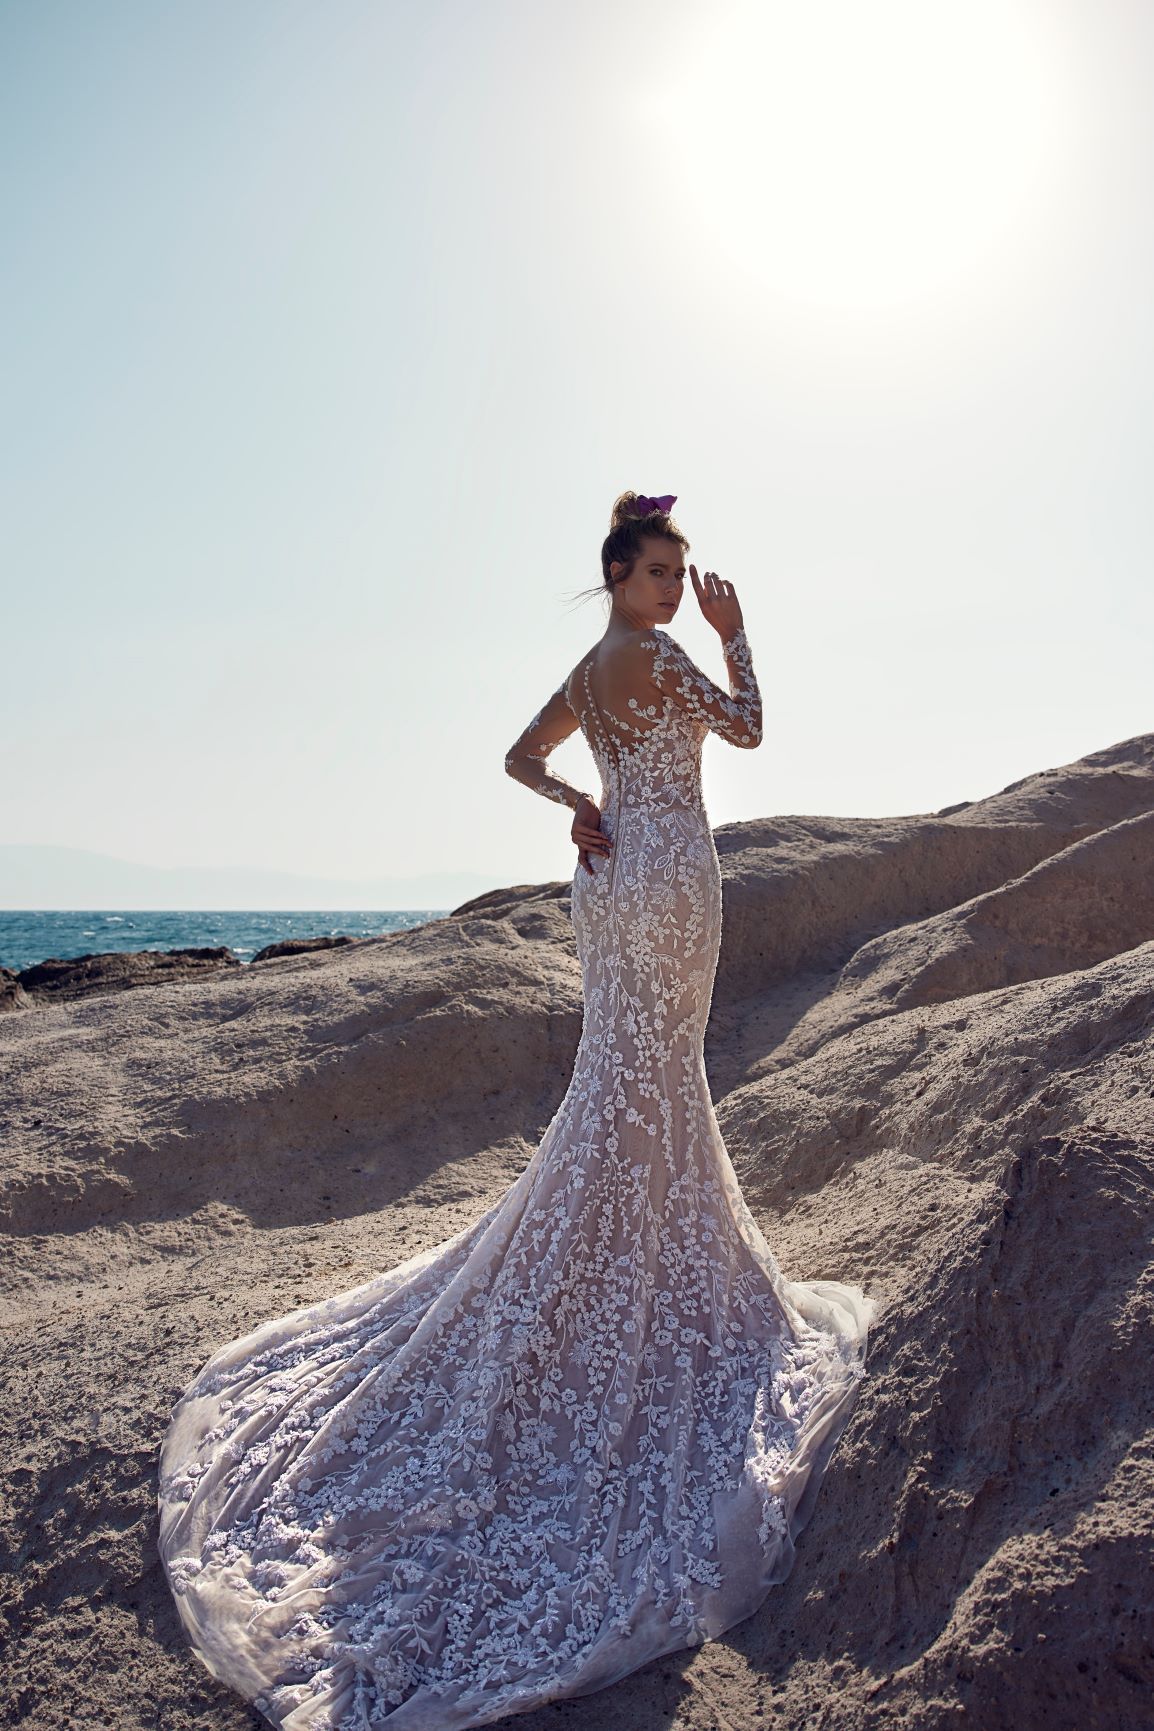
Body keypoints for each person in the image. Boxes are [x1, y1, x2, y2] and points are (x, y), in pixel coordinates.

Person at [157, 491, 878, 1731]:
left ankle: (624, 1244)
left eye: (683, 573)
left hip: (607, 884)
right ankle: (653, 1261)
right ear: (616, 573)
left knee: (629, 1075)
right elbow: (748, 734)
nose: (673, 587)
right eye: (659, 571)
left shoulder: (590, 669)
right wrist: (738, 631)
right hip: (666, 883)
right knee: (653, 1075)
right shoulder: (657, 655)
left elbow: (516, 758)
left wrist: (577, 809)